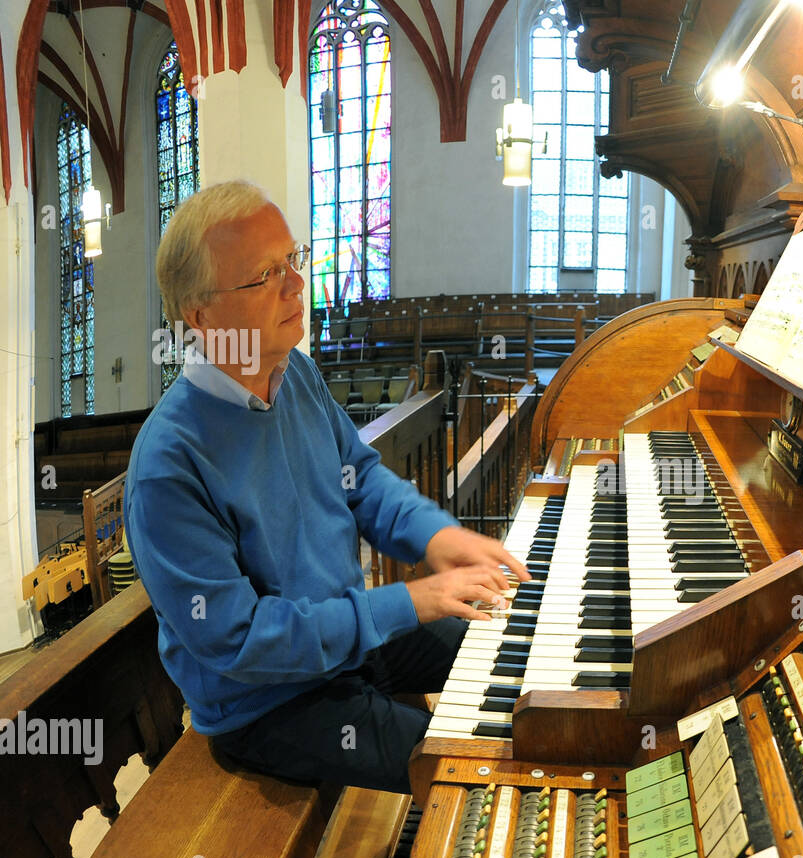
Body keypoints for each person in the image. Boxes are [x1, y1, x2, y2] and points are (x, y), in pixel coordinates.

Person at [125, 179, 528, 794]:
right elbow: (241, 639)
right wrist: (411, 601)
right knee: (473, 772)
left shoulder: (297, 375)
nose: (295, 283)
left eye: (294, 259)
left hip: (347, 635)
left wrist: (437, 536)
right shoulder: (168, 465)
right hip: (270, 701)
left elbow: (359, 478)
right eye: (264, 274)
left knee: (513, 646)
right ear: (201, 316)